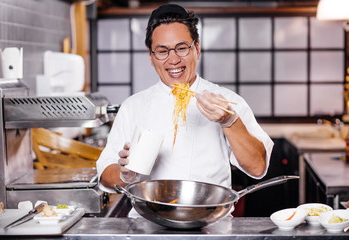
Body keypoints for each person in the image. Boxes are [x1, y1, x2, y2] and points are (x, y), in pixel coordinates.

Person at [97, 4, 273, 194]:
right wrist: (126, 175)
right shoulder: (134, 106)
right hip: (147, 219)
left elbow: (257, 167)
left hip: (211, 218)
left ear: (197, 48)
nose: (173, 60)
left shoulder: (226, 101)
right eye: (162, 51)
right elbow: (105, 175)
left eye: (181, 48)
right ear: (151, 56)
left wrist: (230, 121)